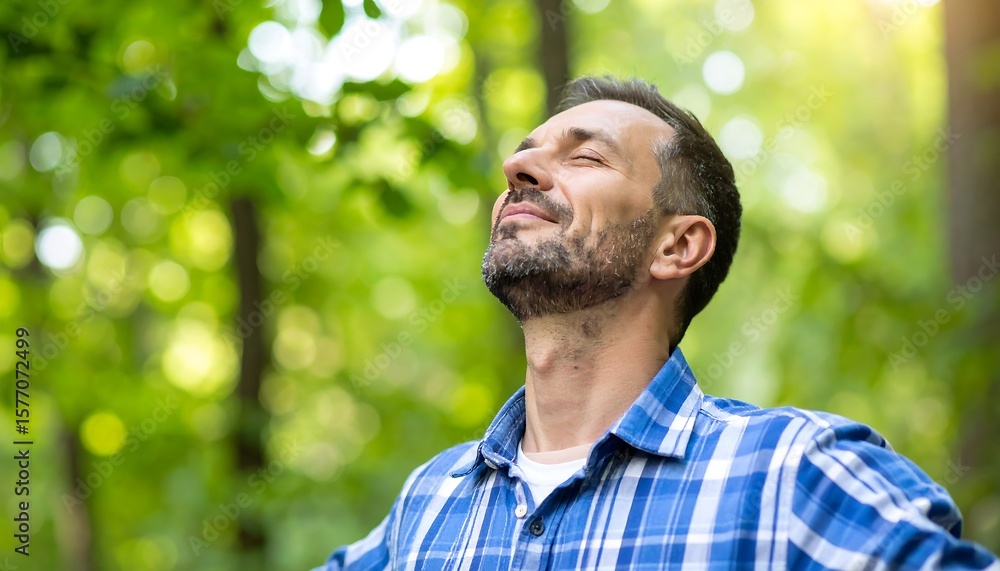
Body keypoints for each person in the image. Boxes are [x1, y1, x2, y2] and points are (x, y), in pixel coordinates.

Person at [314, 76, 1000, 570]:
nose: (516, 166)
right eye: (525, 153)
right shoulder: (427, 504)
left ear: (677, 245)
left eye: (585, 156)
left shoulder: (791, 475)